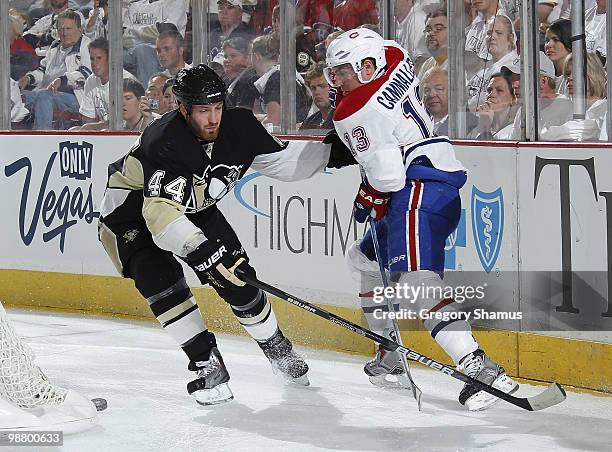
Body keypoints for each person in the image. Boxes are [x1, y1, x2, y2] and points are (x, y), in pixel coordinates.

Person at [98, 64, 345, 405]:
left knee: (239, 279)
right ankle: (205, 362)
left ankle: (277, 348)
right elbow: (159, 215)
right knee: (162, 282)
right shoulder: (164, 140)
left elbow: (283, 163)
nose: (213, 118)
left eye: (217, 108)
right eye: (203, 111)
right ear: (183, 110)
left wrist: (334, 154)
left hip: (194, 207)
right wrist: (201, 252)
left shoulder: (238, 125)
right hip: (130, 216)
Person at [323, 28, 518, 410]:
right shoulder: (394, 56)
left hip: (417, 183)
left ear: (367, 66)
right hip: (429, 174)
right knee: (363, 259)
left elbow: (389, 176)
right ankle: (389, 352)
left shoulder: (354, 111)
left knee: (414, 280)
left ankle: (480, 367)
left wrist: (369, 196)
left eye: (344, 71)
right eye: (334, 72)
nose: (337, 81)